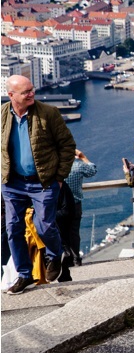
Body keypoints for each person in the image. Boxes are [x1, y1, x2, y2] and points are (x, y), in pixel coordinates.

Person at [2, 75, 75, 293]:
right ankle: (24, 275)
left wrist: (60, 177)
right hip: (12, 182)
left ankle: (55, 255)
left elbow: (67, 145)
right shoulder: (2, 114)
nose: (32, 94)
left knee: (44, 225)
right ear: (12, 95)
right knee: (13, 228)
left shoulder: (48, 113)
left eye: (32, 90)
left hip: (43, 181)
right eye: (26, 92)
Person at [56, 148, 97, 278]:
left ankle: (64, 257)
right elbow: (92, 170)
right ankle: (76, 259)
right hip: (75, 204)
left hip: (59, 206)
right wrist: (83, 157)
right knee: (74, 232)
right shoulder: (78, 166)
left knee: (60, 233)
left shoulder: (56, 168)